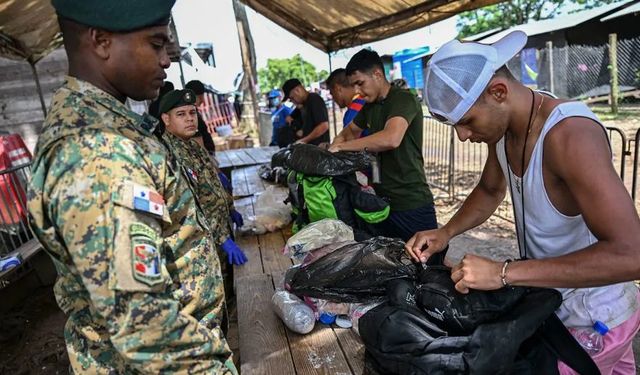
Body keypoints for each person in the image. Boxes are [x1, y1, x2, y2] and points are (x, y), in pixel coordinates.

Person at [406, 31, 640, 374]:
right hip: (555, 300)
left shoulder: (569, 135)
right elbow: (489, 190)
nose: (462, 136)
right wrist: (446, 232)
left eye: (467, 122)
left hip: (596, 318)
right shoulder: (505, 129)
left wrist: (503, 273)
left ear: (498, 92)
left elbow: (632, 254)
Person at [27, 1, 237, 373]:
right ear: (102, 41)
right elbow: (145, 326)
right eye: (156, 44)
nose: (166, 61)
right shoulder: (96, 151)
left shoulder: (112, 127)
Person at [328, 49, 440, 257]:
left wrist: (342, 147)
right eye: (353, 86)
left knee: (430, 265)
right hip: (382, 203)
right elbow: (350, 130)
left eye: (360, 83)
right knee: (394, 265)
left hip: (411, 201)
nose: (358, 91)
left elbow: (391, 138)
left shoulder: (403, 99)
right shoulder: (370, 107)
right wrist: (336, 142)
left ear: (377, 75)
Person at [281, 78, 330, 145]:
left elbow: (324, 126)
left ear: (297, 90)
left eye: (292, 98)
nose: (293, 101)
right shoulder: (302, 105)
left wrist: (304, 140)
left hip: (319, 148)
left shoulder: (314, 99)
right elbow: (289, 118)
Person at [325, 68, 368, 136]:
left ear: (337, 89)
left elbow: (349, 145)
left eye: (332, 93)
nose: (333, 98)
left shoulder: (351, 113)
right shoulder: (367, 101)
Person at [185, 79, 216, 155]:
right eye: (201, 96)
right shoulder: (190, 113)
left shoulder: (191, 111)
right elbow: (196, 137)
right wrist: (207, 157)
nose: (202, 100)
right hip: (204, 155)